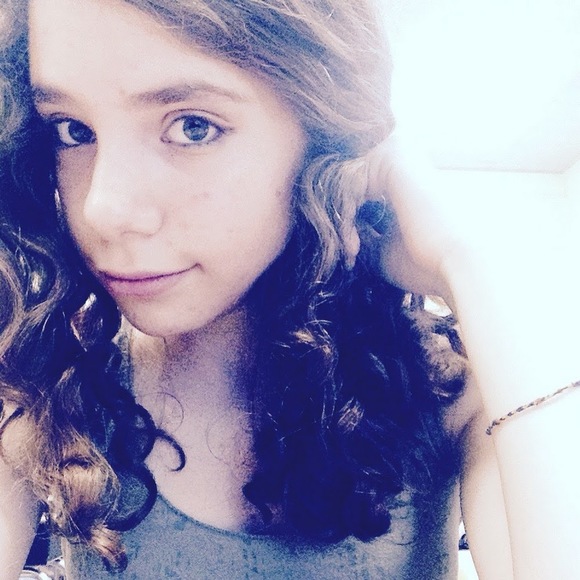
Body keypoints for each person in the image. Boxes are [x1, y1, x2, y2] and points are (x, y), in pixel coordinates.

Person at [1, 0, 579, 578]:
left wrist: (473, 260)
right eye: (72, 130)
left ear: (325, 142)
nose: (103, 210)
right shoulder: (52, 384)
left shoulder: (448, 393)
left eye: (192, 126)